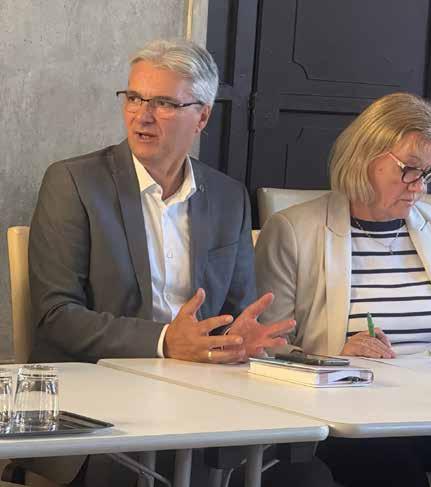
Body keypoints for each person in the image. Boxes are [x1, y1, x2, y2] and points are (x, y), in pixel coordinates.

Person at [24, 39, 332, 487]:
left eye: (164, 103)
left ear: (202, 117)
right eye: (134, 98)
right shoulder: (74, 183)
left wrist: (240, 338)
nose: (142, 116)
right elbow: (56, 316)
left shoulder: (228, 197)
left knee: (306, 475)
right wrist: (165, 341)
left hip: (202, 397)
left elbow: (236, 312)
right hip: (101, 403)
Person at [255, 92, 431, 487]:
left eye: (429, 172)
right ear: (364, 157)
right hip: (349, 416)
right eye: (409, 170)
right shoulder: (293, 230)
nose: (419, 187)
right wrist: (338, 356)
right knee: (395, 475)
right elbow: (268, 349)